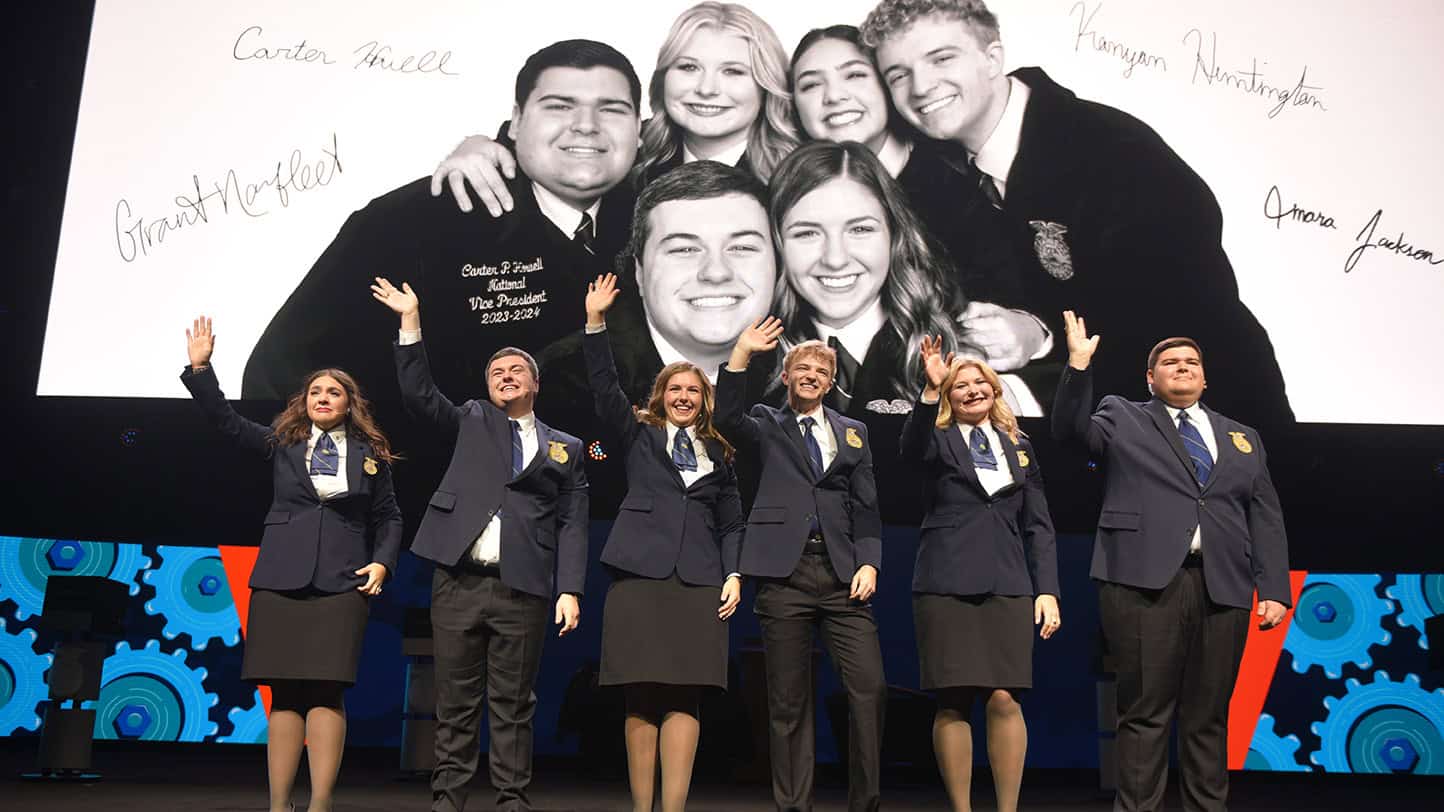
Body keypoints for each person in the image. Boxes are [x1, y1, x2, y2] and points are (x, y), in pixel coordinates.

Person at [862, 0, 1294, 432]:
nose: (920, 86)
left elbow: (1169, 311)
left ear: (992, 57)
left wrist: (1039, 336)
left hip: (1215, 419)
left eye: (941, 58)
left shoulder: (1112, 151)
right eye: (898, 74)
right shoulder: (949, 170)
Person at [242, 39, 643, 402]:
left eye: (612, 109)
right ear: (517, 121)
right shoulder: (409, 222)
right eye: (559, 106)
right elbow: (279, 373)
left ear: (640, 130)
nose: (587, 125)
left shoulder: (657, 216)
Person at [1053, 311, 1291, 812]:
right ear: (1150, 377)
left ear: (1204, 376)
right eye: (1169, 362)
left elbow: (1265, 514)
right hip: (1141, 582)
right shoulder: (1123, 415)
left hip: (1222, 586)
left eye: (1191, 362)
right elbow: (1071, 432)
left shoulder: (1242, 436)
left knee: (1209, 717)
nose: (1182, 367)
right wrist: (1077, 367)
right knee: (1145, 713)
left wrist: (1272, 589)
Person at [372, 279, 589, 812]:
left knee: (514, 704)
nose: (505, 377)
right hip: (460, 582)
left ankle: (512, 800)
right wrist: (410, 323)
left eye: (516, 370)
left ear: (535, 382)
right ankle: (448, 801)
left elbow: (574, 523)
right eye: (497, 372)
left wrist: (571, 589)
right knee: (456, 702)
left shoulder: (568, 447)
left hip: (524, 588)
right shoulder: (471, 418)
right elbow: (419, 394)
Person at [180, 316, 400, 812]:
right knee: (283, 694)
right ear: (304, 401)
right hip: (281, 580)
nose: (323, 397)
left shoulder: (371, 456)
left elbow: (389, 517)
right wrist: (201, 369)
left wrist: (383, 563)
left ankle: (320, 803)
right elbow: (225, 421)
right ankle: (279, 805)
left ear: (349, 403)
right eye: (315, 391)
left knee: (327, 692)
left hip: (343, 582)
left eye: (334, 392)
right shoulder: (282, 444)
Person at [788, 23, 1044, 377]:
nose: (834, 96)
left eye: (855, 75)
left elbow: (1022, 298)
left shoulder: (960, 185)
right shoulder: (788, 195)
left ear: (889, 87)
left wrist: (1028, 327)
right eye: (811, 84)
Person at [581, 272, 745, 812]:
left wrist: (734, 574)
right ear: (661, 397)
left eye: (692, 391)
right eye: (674, 389)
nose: (682, 397)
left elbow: (732, 523)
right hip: (639, 578)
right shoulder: (639, 434)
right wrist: (596, 320)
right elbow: (604, 385)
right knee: (640, 694)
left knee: (686, 694)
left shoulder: (720, 454)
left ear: (704, 402)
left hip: (699, 582)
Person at [531, 159, 779, 512]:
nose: (716, 272)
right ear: (639, 271)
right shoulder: (562, 382)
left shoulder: (801, 378)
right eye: (684, 249)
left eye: (741, 247)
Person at [716, 319, 886, 812]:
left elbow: (868, 506)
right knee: (788, 703)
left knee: (869, 691)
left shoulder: (855, 432)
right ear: (786, 376)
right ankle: (794, 806)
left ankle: (866, 803)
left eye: (820, 370)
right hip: (782, 576)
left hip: (843, 576)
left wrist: (870, 562)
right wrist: (742, 352)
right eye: (801, 368)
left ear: (831, 383)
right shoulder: (767, 422)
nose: (811, 375)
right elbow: (726, 415)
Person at [430, 1, 797, 222]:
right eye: (688, 67)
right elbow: (549, 148)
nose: (706, 88)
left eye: (733, 71)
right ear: (663, 79)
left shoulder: (801, 172)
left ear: (766, 83)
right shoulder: (629, 157)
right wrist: (480, 148)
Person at [767, 139, 1043, 418]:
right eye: (806, 233)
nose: (835, 259)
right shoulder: (749, 368)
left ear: (894, 236)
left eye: (860, 229)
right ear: (775, 243)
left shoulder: (968, 366)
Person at [899, 336, 1059, 812]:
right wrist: (929, 392)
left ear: (995, 389)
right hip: (944, 582)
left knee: (1007, 696)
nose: (971, 390)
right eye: (960, 386)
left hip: (1008, 584)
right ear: (949, 397)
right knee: (952, 698)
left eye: (979, 383)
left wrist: (1046, 590)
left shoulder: (1020, 445)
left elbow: (1039, 525)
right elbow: (910, 449)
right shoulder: (937, 439)